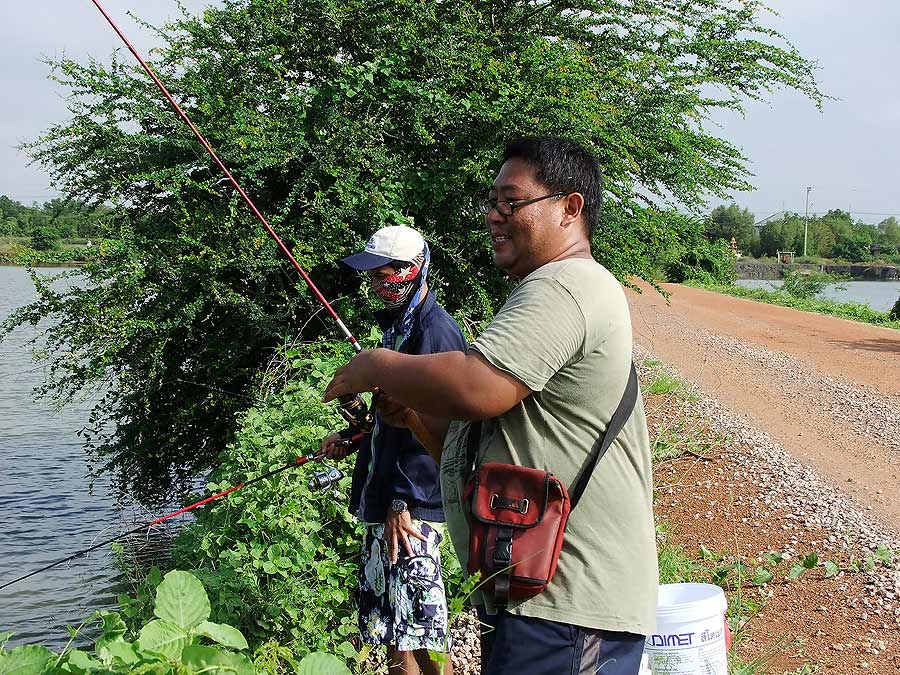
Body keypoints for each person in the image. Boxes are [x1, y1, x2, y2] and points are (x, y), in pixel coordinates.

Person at [323, 137, 658, 675]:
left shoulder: (564, 286)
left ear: (569, 208)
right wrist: (411, 415)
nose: (494, 216)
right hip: (535, 592)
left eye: (512, 202)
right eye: (492, 202)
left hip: (568, 601)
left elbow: (479, 387)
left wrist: (376, 366)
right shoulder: (548, 289)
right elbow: (482, 433)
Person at [320, 224, 465, 675]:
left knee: (407, 637)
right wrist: (355, 437)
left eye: (388, 276)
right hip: (389, 501)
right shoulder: (398, 330)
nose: (379, 286)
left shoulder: (435, 335)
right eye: (373, 277)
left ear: (415, 270)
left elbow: (442, 433)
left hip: (412, 508)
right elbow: (397, 417)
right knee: (399, 632)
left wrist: (403, 500)